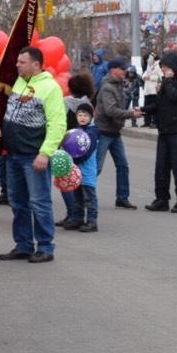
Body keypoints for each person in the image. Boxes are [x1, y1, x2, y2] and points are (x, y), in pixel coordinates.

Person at [0, 46, 65, 263]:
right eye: (17, 61)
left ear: (36, 65)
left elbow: (57, 124)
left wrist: (45, 153)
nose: (17, 65)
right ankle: (24, 245)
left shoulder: (50, 87)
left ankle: (46, 246)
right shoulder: (18, 82)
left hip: (33, 155)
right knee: (18, 203)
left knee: (39, 202)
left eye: (22, 62)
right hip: (13, 154)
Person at [145, 53, 177, 213]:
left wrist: (167, 81)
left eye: (166, 68)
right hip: (164, 129)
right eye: (163, 68)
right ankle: (161, 199)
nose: (164, 71)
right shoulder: (168, 83)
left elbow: (175, 96)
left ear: (174, 67)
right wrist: (143, 110)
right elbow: (160, 103)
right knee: (161, 167)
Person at [95, 59, 140, 210]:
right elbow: (110, 110)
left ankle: (122, 197)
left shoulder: (119, 85)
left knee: (122, 165)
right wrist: (131, 114)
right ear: (113, 70)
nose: (125, 72)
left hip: (115, 131)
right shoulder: (108, 87)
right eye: (122, 69)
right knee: (96, 167)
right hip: (103, 131)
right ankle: (83, 196)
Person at [58, 72, 95, 230]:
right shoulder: (89, 105)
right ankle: (76, 215)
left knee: (66, 182)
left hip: (66, 146)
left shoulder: (65, 102)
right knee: (79, 185)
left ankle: (73, 214)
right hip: (81, 148)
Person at [71, 102, 100, 232]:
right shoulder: (77, 130)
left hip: (87, 170)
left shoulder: (92, 132)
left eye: (85, 115)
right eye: (79, 115)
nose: (82, 118)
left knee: (89, 197)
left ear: (91, 117)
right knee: (77, 197)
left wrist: (74, 160)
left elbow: (86, 152)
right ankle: (78, 219)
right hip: (76, 170)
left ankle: (92, 222)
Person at [141, 54, 162, 128]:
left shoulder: (158, 66)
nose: (148, 60)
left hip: (154, 90)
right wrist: (144, 77)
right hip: (147, 90)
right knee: (146, 106)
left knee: (154, 107)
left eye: (150, 58)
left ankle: (155, 122)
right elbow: (143, 75)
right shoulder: (148, 66)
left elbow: (161, 77)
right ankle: (147, 121)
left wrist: (151, 77)